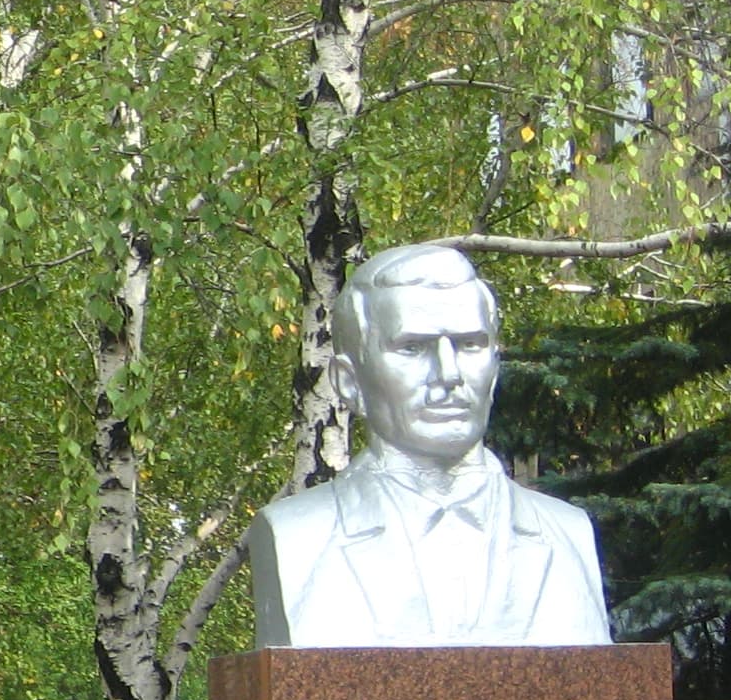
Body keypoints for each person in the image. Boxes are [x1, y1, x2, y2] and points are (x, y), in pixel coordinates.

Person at [245, 242, 609, 649]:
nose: (448, 374)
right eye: (412, 348)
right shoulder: (297, 537)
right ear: (350, 382)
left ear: (494, 368)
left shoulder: (568, 532)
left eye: (470, 344)